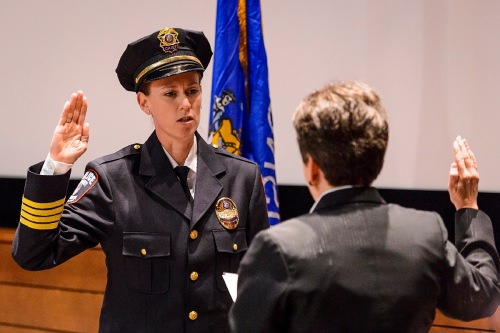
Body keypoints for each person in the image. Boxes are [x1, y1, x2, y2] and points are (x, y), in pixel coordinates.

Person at [11, 26, 269, 333]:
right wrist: (57, 165)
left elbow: (260, 281)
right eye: (170, 93)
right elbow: (34, 254)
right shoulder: (113, 179)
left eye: (192, 90)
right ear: (144, 103)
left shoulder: (243, 177)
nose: (185, 104)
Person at [229, 81, 500, 333]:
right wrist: (467, 207)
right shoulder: (425, 235)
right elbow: (483, 296)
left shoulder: (278, 248)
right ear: (378, 158)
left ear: (312, 168)